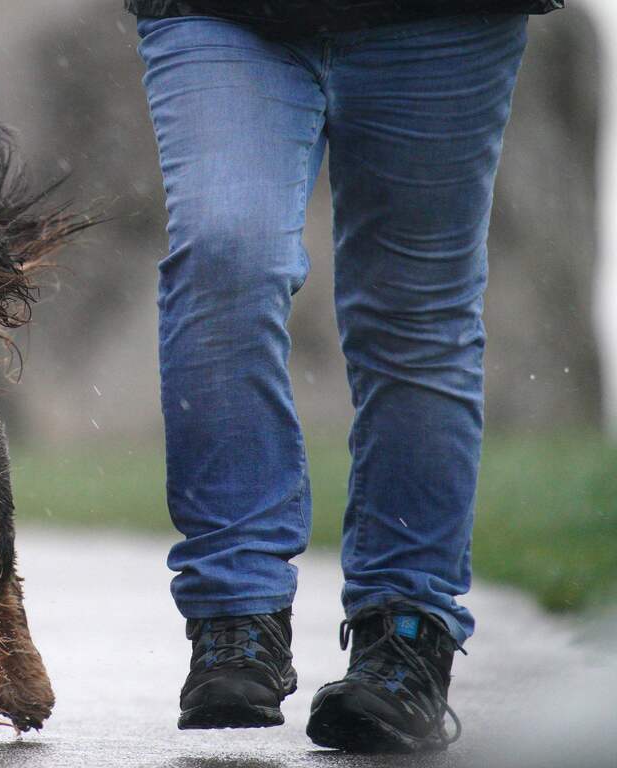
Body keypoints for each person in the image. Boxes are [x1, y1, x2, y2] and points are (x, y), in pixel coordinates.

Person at [125, 0, 562, 753]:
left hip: (445, 24)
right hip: (221, 13)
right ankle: (236, 610)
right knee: (225, 256)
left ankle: (405, 634)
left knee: (416, 317)